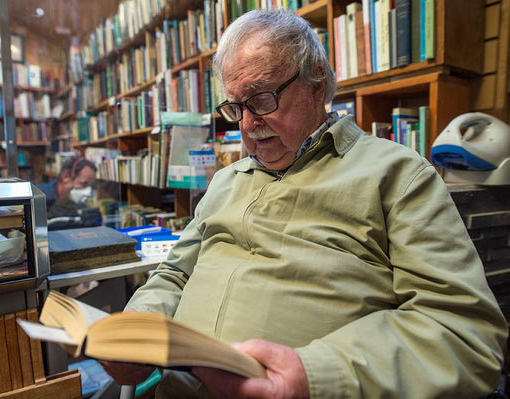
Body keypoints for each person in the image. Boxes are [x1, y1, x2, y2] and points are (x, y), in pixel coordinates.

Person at [102, 9, 508, 399]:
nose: (246, 124)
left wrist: (312, 376)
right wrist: (141, 324)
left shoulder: (398, 176)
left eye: (261, 99)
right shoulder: (226, 181)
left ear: (316, 82)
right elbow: (174, 275)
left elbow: (465, 336)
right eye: (235, 107)